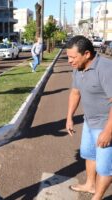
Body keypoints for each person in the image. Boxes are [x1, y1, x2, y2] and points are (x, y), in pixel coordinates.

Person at [66, 35, 112, 200]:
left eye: (72, 57)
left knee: (106, 167)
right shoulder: (78, 68)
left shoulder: (106, 68)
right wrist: (69, 117)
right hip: (89, 121)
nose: (70, 61)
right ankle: (90, 185)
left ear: (86, 54)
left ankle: (97, 197)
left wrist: (108, 132)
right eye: (68, 57)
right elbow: (75, 92)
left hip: (106, 124)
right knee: (88, 154)